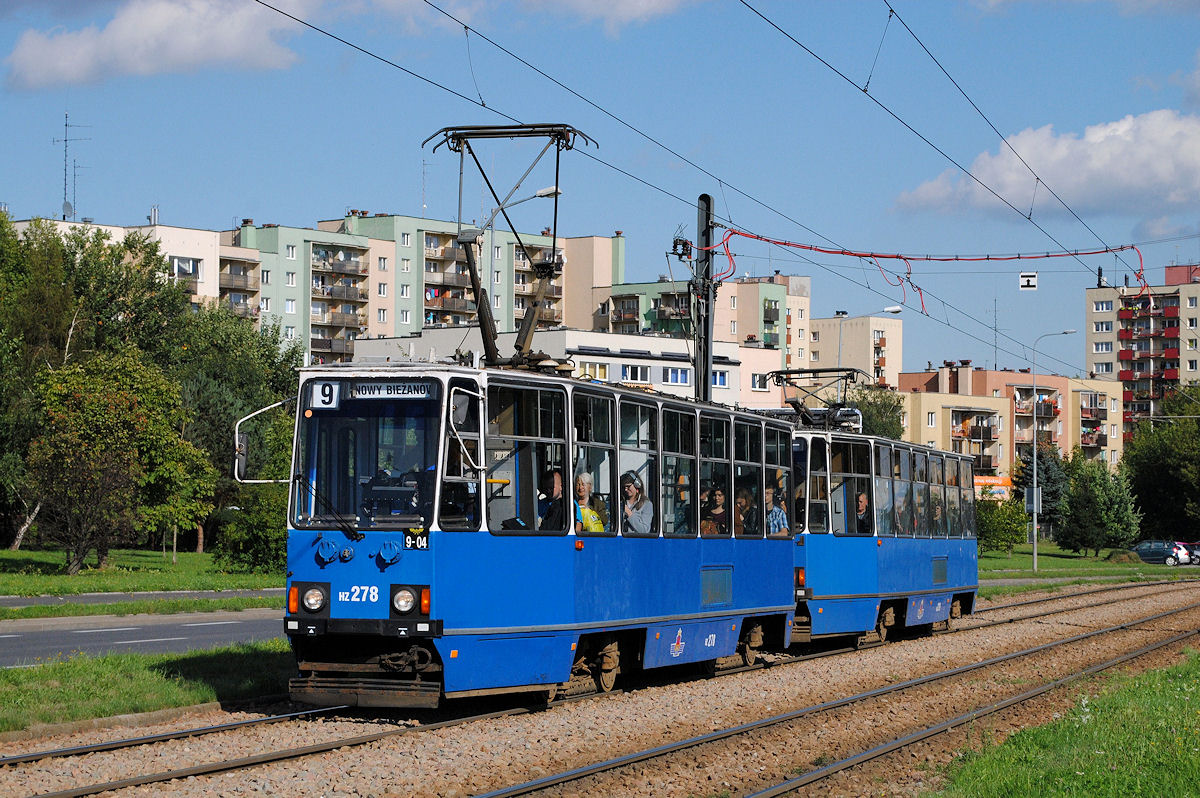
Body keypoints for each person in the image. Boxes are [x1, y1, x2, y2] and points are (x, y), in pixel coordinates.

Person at [620, 471, 653, 535]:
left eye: (628, 486)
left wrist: (629, 514)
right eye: (624, 487)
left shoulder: (647, 505)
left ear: (637, 484)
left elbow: (644, 530)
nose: (625, 490)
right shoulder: (620, 502)